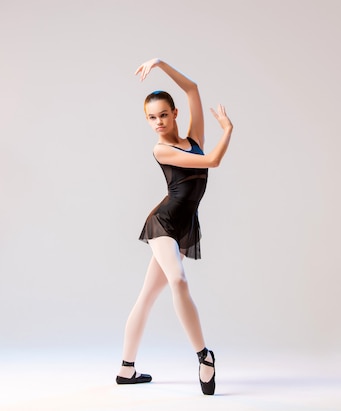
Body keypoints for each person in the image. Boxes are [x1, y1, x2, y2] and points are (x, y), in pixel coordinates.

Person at [115, 58, 233, 396]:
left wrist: (160, 63)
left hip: (184, 225)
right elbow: (213, 161)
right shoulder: (161, 149)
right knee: (178, 279)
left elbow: (192, 89)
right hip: (163, 223)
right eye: (151, 118)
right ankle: (204, 356)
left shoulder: (193, 138)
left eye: (163, 115)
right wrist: (228, 131)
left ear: (175, 113)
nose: (158, 122)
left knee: (147, 296)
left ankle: (126, 368)